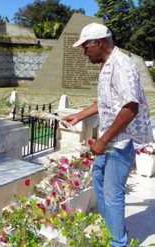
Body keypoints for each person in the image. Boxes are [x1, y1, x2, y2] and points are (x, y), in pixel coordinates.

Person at [63, 22, 154, 246]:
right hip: (109, 140)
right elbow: (105, 102)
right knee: (99, 181)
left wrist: (103, 141)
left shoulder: (122, 65)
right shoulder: (107, 64)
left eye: (86, 47)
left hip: (119, 143)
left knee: (113, 192)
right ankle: (113, 226)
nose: (84, 52)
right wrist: (78, 116)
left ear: (99, 43)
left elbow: (130, 107)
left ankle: (117, 241)